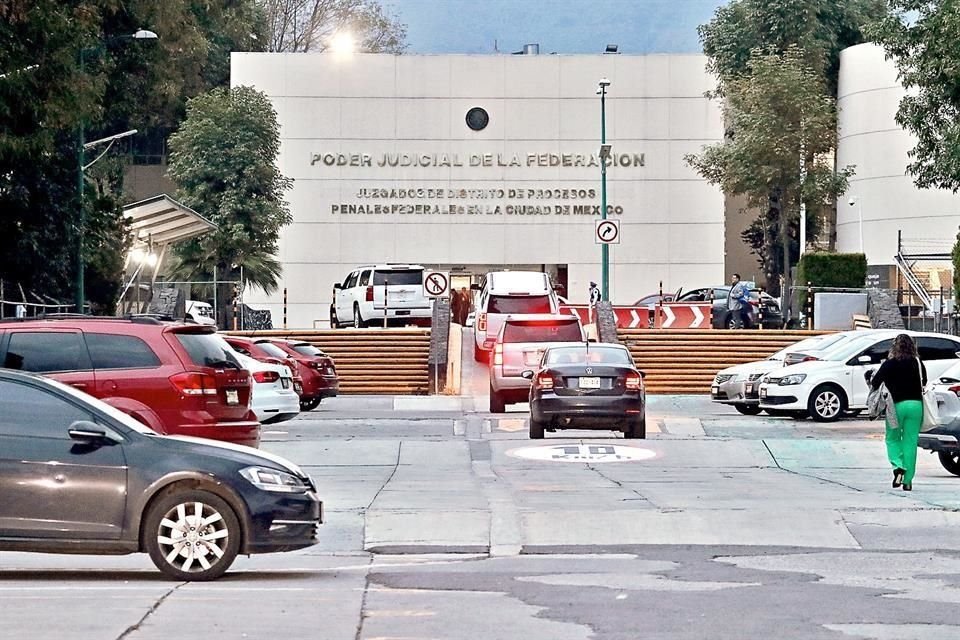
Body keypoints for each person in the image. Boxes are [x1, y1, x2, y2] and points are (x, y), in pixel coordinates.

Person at [870, 334, 927, 491]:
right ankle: (908, 481)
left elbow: (875, 383)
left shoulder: (890, 364)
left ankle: (898, 467)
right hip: (916, 406)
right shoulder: (917, 362)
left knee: (892, 438)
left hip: (896, 407)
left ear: (894, 347)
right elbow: (925, 381)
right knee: (910, 442)